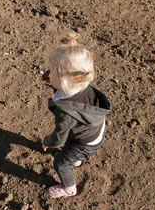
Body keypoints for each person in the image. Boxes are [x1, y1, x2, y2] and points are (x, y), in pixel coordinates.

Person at [41, 34, 111, 198]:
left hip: (84, 142)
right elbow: (61, 86)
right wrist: (49, 79)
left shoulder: (66, 111)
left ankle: (69, 188)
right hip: (92, 130)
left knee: (60, 162)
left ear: (63, 81)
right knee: (70, 150)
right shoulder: (81, 84)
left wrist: (47, 142)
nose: (48, 73)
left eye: (51, 72)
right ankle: (75, 158)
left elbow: (59, 138)